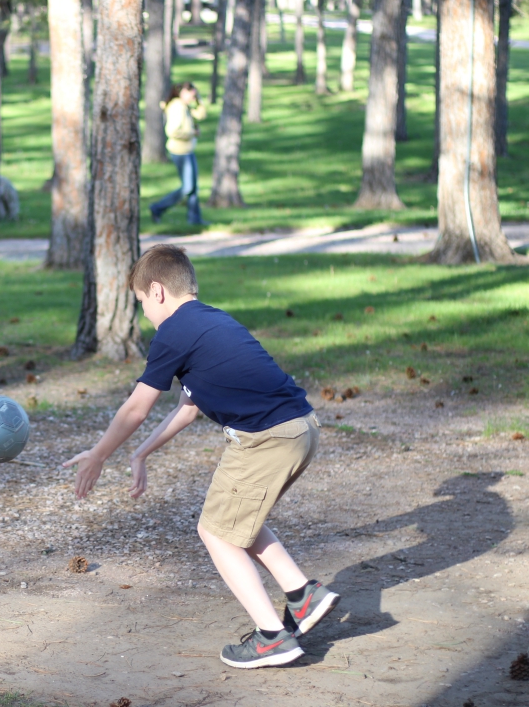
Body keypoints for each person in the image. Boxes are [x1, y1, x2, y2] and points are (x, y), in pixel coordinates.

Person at [63, 244, 340, 669]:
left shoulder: (173, 332)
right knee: (238, 521)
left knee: (216, 533)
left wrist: (99, 455)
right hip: (301, 427)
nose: (145, 314)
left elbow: (137, 407)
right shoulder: (211, 321)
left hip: (265, 438)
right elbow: (186, 409)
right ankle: (303, 597)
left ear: (157, 292)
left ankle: (272, 637)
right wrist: (140, 453)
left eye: (141, 303)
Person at [150, 82, 209, 226]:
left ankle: (194, 219)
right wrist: (192, 133)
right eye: (191, 94)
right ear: (182, 92)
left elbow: (201, 115)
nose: (192, 97)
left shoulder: (185, 106)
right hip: (180, 151)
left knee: (193, 188)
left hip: (188, 150)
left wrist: (198, 100)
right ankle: (157, 208)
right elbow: (172, 131)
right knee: (188, 188)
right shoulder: (178, 108)